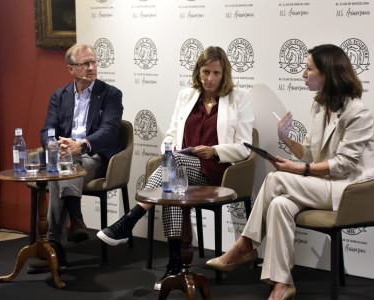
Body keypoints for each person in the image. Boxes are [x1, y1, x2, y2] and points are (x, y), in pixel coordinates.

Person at [206, 44, 374, 300]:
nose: (303, 73)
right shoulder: (319, 107)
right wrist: (287, 140)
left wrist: (298, 170)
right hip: (327, 184)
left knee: (276, 178)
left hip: (353, 190)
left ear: (328, 74)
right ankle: (282, 285)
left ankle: (246, 244)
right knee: (279, 204)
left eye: (309, 68)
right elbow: (311, 156)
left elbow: (344, 165)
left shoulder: (358, 112)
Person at [97, 46, 255, 290]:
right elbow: (171, 134)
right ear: (197, 72)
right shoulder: (186, 96)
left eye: (216, 73)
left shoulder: (239, 98)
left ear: (224, 74)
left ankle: (129, 220)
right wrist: (169, 149)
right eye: (205, 72)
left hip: (217, 170)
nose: (210, 78)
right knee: (171, 186)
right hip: (183, 165)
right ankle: (175, 266)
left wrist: (214, 151)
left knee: (173, 171)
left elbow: (244, 148)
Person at [34, 43, 123, 270]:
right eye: (85, 64)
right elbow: (48, 129)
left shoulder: (110, 94)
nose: (91, 67)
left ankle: (52, 246)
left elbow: (110, 130)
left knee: (62, 168)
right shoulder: (59, 95)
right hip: (66, 157)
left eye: (93, 62)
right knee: (63, 164)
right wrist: (55, 145)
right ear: (71, 68)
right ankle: (75, 220)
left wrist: (81, 145)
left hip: (96, 159)